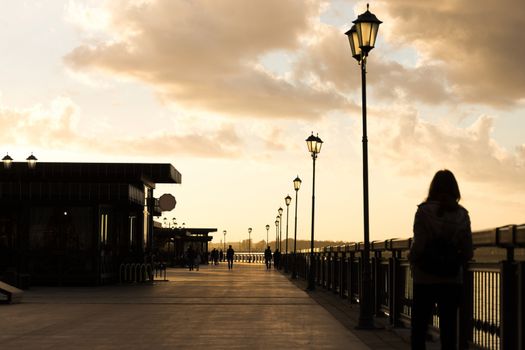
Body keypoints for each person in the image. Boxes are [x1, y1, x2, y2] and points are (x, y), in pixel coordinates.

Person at [408, 169, 473, 350]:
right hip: (451, 278)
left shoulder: (423, 211)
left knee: (419, 328)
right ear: (455, 190)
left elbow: (419, 245)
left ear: (433, 188)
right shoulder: (462, 215)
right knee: (449, 330)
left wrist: (411, 257)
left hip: (425, 277)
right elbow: (468, 251)